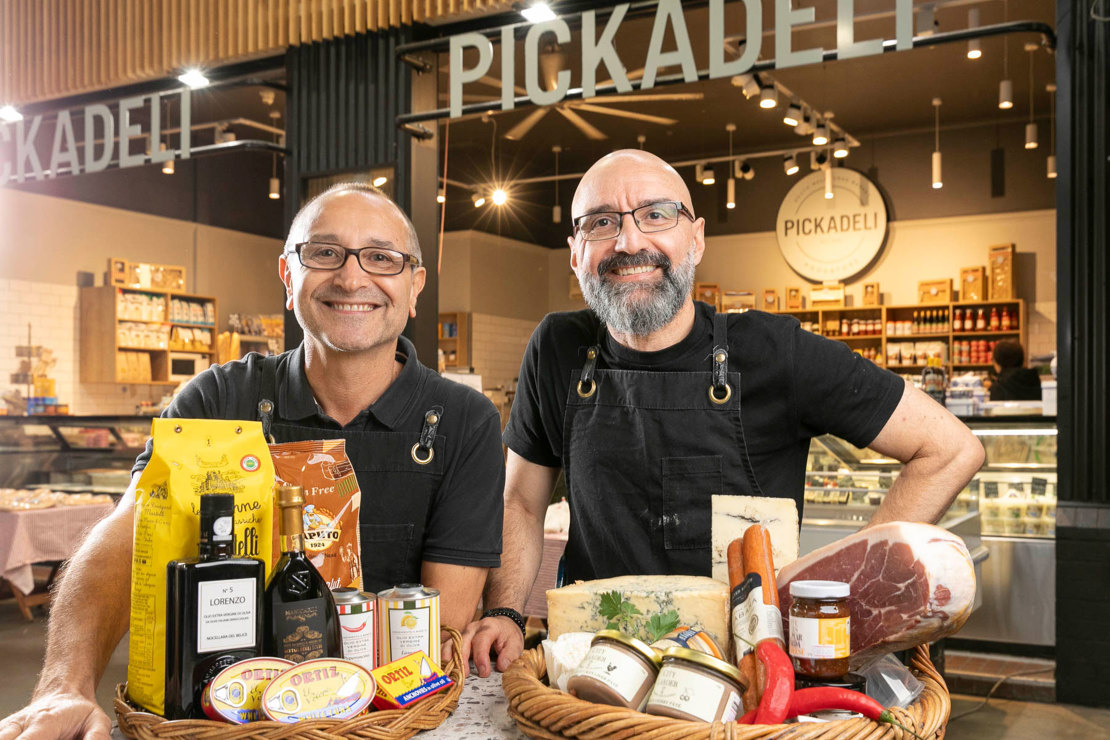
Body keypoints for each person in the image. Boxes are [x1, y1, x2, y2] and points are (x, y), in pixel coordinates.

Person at [0, 183, 505, 739]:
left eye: (382, 258)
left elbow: (443, 624)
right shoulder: (216, 401)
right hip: (219, 724)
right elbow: (128, 539)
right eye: (324, 252)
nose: (352, 277)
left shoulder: (463, 421)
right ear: (289, 277)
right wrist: (65, 685)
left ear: (415, 287)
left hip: (393, 724)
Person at [460, 149, 985, 676]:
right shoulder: (557, 348)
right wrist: (504, 610)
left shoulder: (774, 352)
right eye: (602, 223)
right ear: (575, 253)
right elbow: (522, 504)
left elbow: (949, 448)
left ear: (697, 239)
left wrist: (849, 592)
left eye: (656, 214)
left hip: (745, 680)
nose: (630, 242)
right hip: (594, 670)